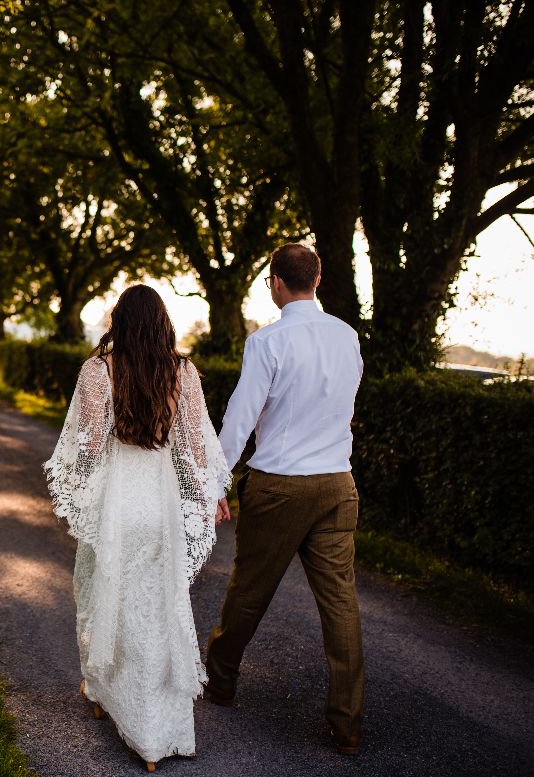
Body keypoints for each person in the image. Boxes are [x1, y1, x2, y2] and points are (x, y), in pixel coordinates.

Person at [44, 285, 232, 771]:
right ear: (162, 323)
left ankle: (110, 696)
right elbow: (195, 446)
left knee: (105, 597)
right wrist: (214, 495)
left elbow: (83, 449)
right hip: (162, 508)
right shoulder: (183, 372)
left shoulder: (98, 372)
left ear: (120, 322)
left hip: (117, 508)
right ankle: (159, 730)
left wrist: (79, 491)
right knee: (159, 608)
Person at [205, 243, 365, 755]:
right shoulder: (347, 337)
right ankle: (347, 724)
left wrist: (214, 481)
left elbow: (240, 418)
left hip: (278, 485)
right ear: (316, 280)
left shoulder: (267, 341)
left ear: (276, 282)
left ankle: (222, 680)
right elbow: (345, 407)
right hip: (338, 485)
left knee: (250, 590)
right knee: (340, 604)